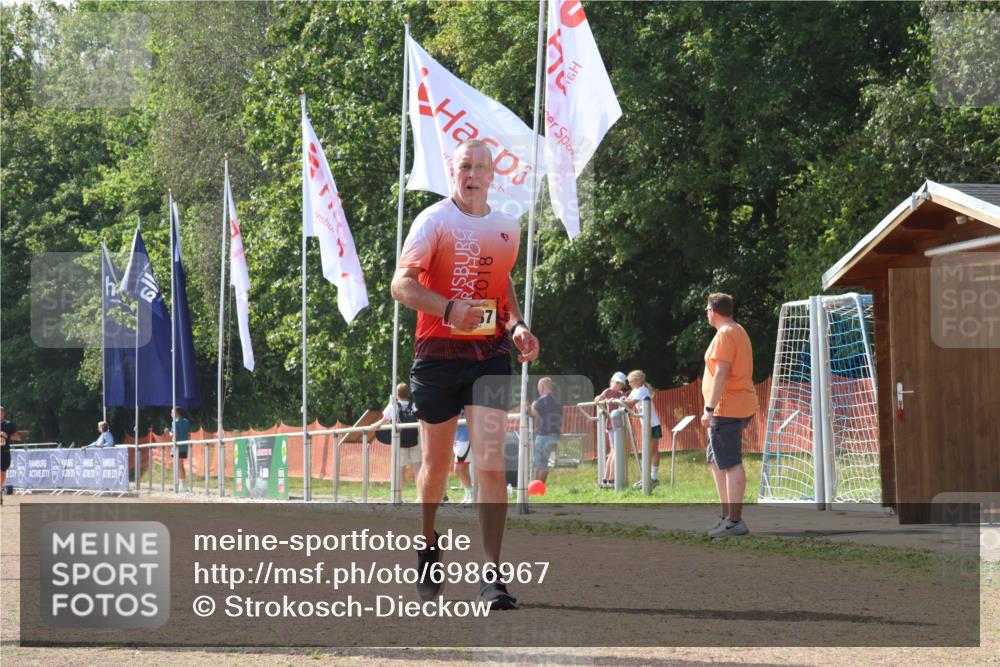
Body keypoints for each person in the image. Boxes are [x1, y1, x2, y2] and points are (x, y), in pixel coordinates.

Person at [391, 139, 540, 610]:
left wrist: (516, 326)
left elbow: (502, 284)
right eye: (464, 166)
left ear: (493, 175)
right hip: (436, 356)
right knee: (435, 467)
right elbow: (402, 285)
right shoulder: (433, 221)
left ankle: (492, 574)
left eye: (480, 167)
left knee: (490, 464)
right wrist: (450, 308)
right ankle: (429, 542)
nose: (472, 174)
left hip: (488, 355)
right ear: (452, 172)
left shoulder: (506, 226)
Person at [701, 293, 758, 538]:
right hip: (736, 404)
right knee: (715, 458)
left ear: (713, 311)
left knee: (730, 462)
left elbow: (722, 373)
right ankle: (726, 517)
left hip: (727, 408)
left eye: (707, 309)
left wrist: (709, 408)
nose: (706, 313)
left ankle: (735, 522)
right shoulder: (737, 330)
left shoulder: (725, 334)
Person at [369, 383, 422, 490]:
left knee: (400, 469)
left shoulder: (393, 406)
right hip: (415, 440)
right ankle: (420, 496)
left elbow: (383, 421)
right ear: (408, 393)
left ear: (396, 394)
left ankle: (398, 496)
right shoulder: (414, 405)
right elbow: (421, 420)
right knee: (418, 469)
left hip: (400, 441)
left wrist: (373, 426)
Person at [624, 370, 662, 488]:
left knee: (651, 451)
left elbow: (630, 403)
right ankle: (648, 477)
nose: (629, 384)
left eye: (631, 381)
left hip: (652, 424)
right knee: (649, 451)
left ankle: (652, 477)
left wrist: (620, 402)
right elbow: (627, 399)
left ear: (638, 380)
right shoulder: (636, 390)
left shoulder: (642, 390)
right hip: (646, 424)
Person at [526, 377, 561, 483]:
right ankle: (536, 486)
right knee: (543, 463)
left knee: (539, 464)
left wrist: (530, 406)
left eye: (539, 388)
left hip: (543, 435)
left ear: (542, 387)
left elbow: (533, 414)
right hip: (554, 435)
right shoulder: (557, 401)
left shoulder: (542, 400)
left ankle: (537, 487)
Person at [594, 372, 627, 488]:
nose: (618, 386)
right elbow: (599, 397)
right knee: (615, 451)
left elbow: (625, 400)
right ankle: (611, 478)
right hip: (611, 425)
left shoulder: (621, 393)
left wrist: (623, 399)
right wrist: (598, 398)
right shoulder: (608, 391)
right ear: (612, 381)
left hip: (618, 424)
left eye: (621, 384)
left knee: (613, 452)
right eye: (617, 383)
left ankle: (606, 478)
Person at [167, 407, 192, 492]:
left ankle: (182, 486)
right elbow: (189, 435)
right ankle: (181, 485)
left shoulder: (174, 423)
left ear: (176, 413)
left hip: (177, 447)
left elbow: (174, 435)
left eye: (172, 412)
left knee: (179, 466)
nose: (171, 414)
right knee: (180, 466)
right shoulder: (186, 421)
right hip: (184, 446)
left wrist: (168, 433)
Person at [453, 409, 473, 504]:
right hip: (458, 438)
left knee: (458, 470)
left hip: (465, 438)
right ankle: (469, 495)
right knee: (464, 470)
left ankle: (471, 495)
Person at [0, 406, 15, 504]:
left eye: (0, 412)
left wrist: (7, 435)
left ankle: (0, 488)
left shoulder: (9, 424)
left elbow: (15, 436)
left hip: (4, 451)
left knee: (2, 472)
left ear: (3, 414)